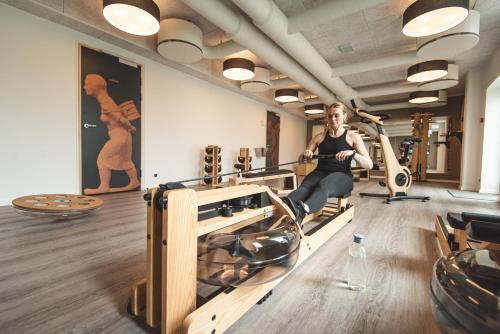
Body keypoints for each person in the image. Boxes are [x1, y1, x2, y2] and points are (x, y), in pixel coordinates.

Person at [283, 102, 373, 224]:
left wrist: (353, 154)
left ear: (345, 117)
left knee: (324, 185)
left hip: (342, 176)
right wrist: (306, 154)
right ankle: (282, 206)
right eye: (330, 116)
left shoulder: (353, 137)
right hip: (320, 172)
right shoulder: (319, 137)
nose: (333, 119)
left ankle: (302, 211)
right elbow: (301, 160)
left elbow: (369, 164)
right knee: (305, 186)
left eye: (337, 115)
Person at [83, 74, 140, 195]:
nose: (84, 87)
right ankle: (134, 182)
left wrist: (130, 127)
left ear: (95, 87)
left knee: (102, 159)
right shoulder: (106, 101)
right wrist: (129, 128)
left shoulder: (106, 102)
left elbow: (119, 118)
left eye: (86, 84)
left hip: (120, 136)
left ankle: (104, 186)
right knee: (125, 160)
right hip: (122, 135)